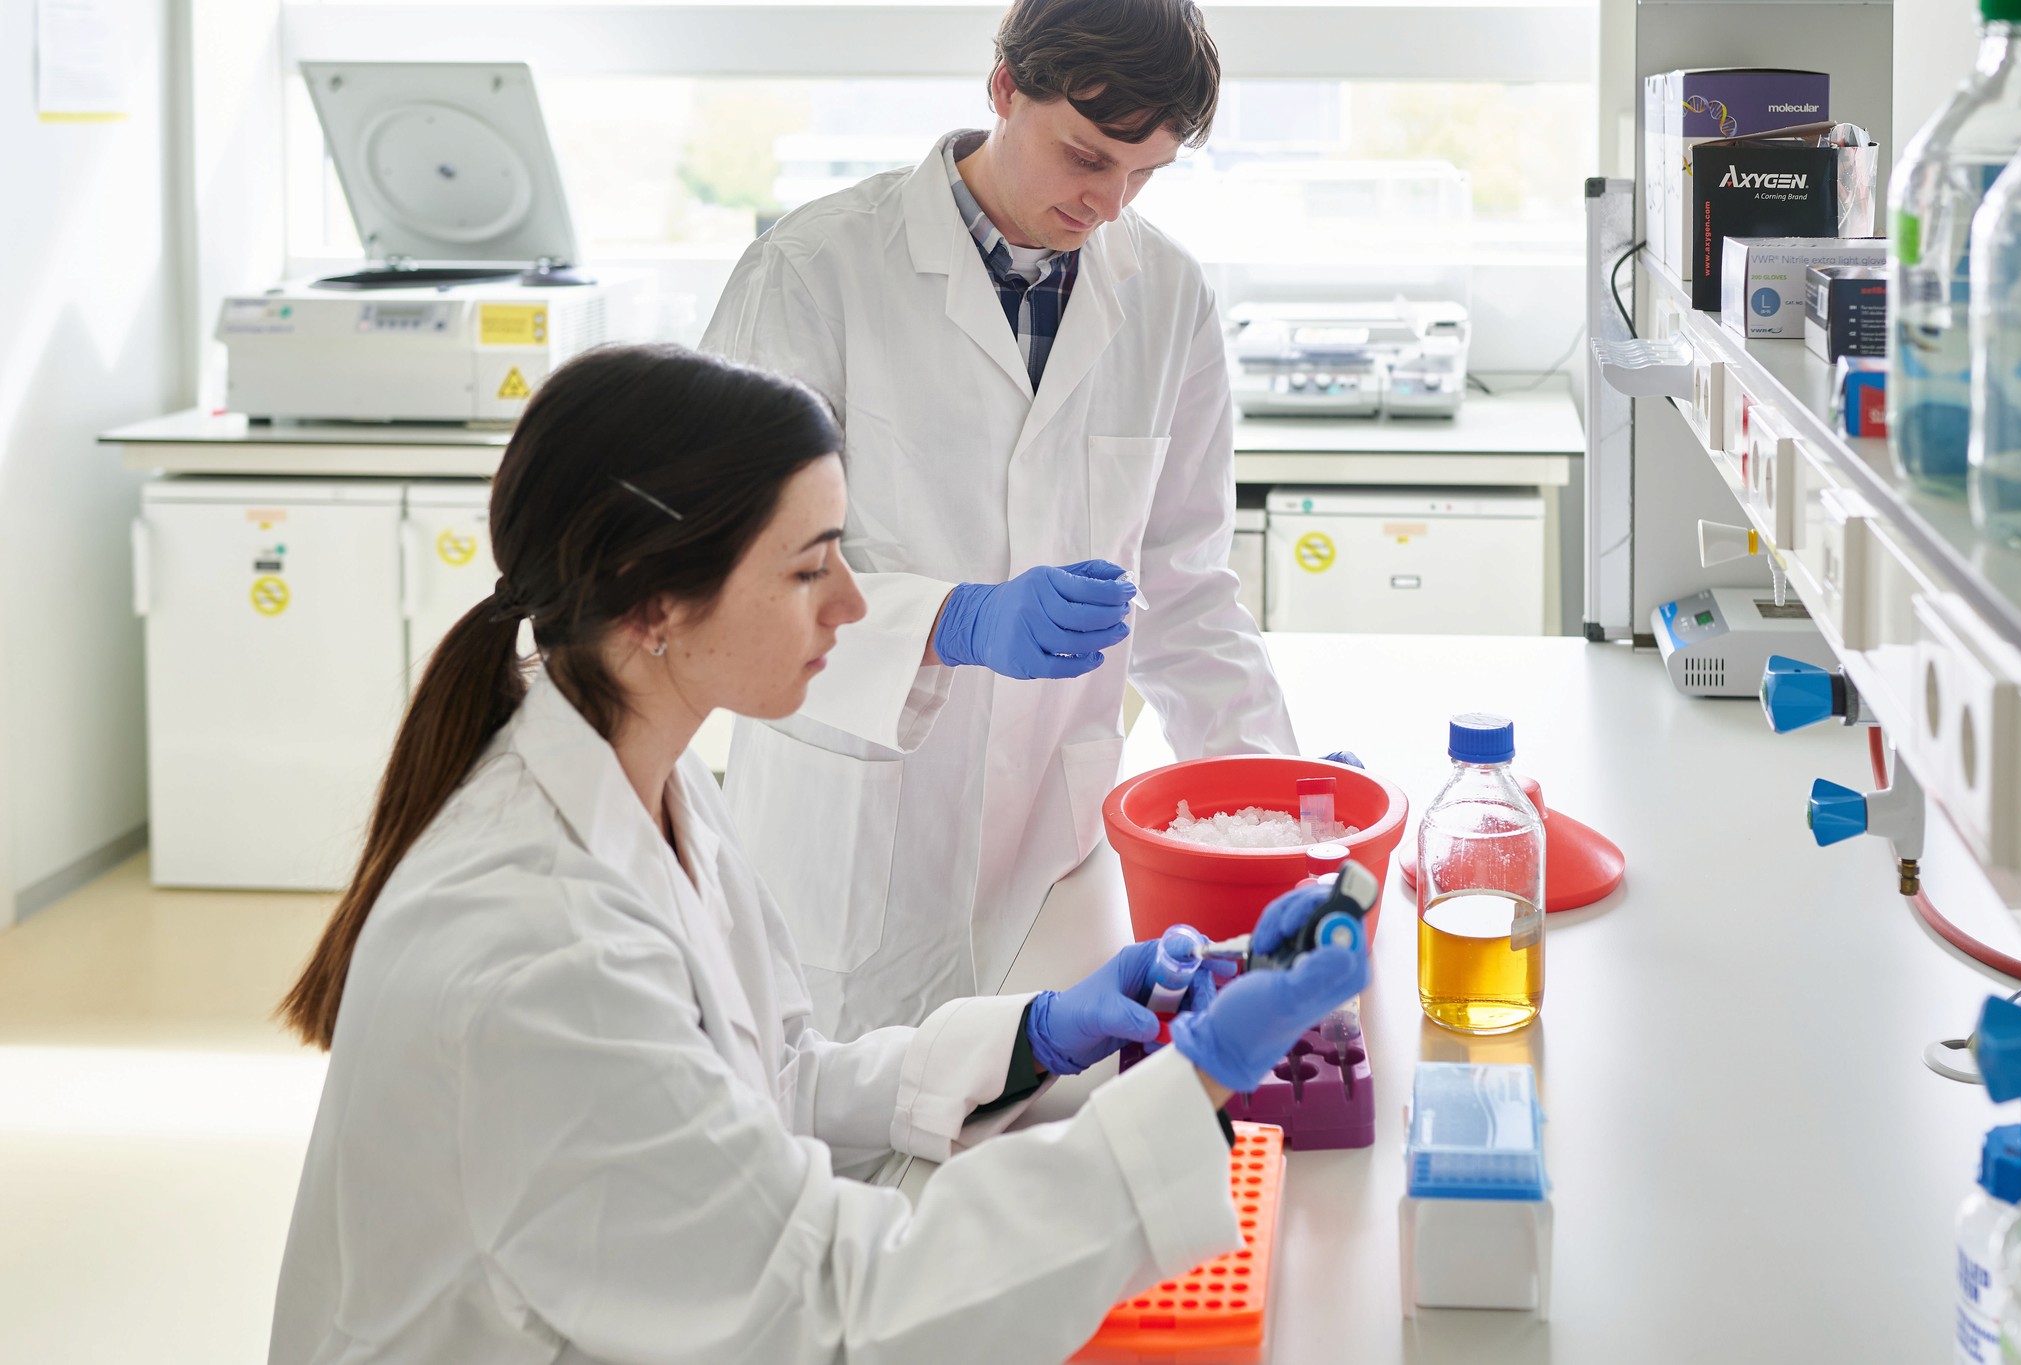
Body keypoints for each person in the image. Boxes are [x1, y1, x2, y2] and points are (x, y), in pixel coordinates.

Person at [266, 344, 1366, 1365]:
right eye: (808, 569)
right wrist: (1196, 1083)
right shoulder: (544, 949)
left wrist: (1033, 1035)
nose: (851, 605)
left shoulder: (646, 773)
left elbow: (767, 1082)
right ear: (656, 602)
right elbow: (834, 1311)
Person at [702, 0, 1359, 1040]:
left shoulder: (1167, 298)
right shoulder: (812, 272)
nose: (1107, 203)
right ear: (1004, 89)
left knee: (1019, 1144)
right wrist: (949, 620)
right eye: (1087, 157)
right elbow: (728, 571)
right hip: (856, 833)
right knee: (834, 1143)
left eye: (1144, 174)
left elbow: (1185, 592)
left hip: (1047, 847)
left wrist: (1280, 804)